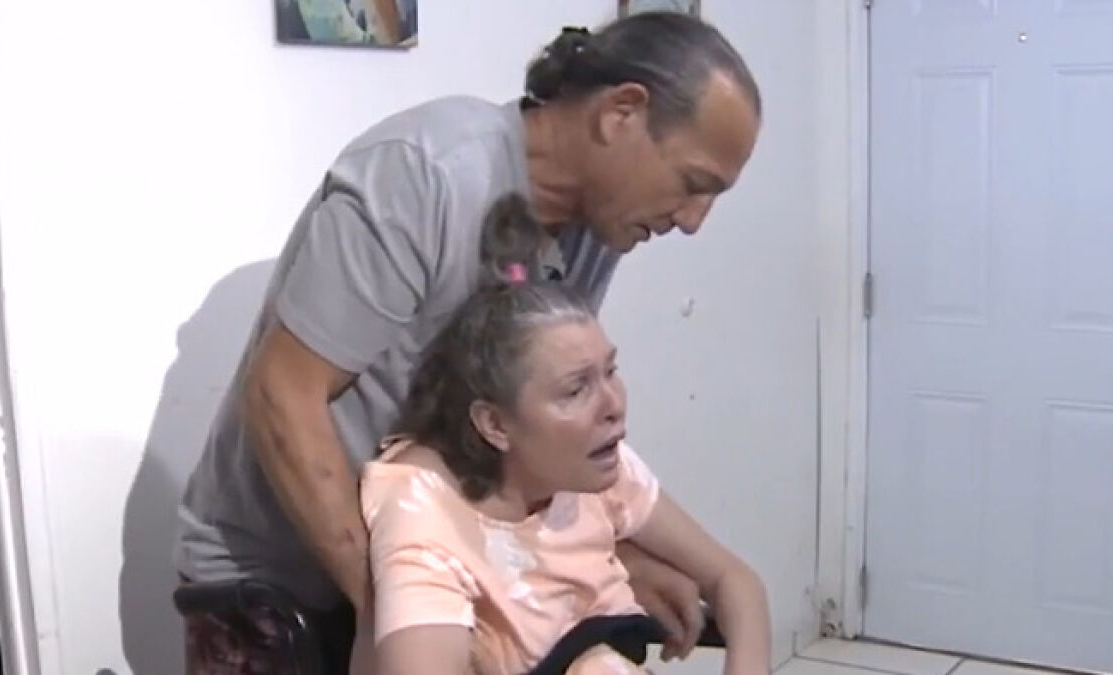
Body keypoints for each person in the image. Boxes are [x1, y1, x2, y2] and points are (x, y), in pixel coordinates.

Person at [173, 10, 761, 673]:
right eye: (692, 183)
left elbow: (518, 433)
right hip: (284, 585)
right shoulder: (426, 173)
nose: (692, 221)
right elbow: (283, 397)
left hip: (427, 569)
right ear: (622, 112)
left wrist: (605, 565)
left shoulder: (594, 230)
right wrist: (405, 603)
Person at [348, 195, 770, 675]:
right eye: (576, 390)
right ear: (495, 424)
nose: (613, 405)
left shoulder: (596, 468)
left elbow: (737, 582)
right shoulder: (423, 510)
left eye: (611, 371)